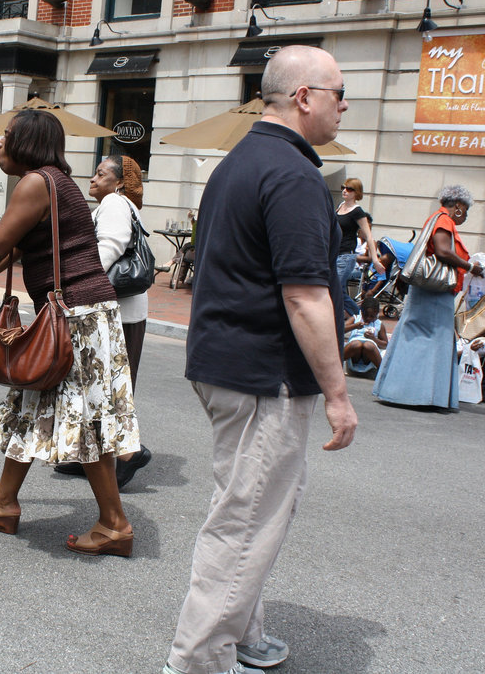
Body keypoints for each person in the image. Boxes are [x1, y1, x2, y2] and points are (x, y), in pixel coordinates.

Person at [163, 46, 357, 674]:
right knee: (245, 521)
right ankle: (196, 663)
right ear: (304, 97)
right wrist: (337, 393)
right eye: (337, 92)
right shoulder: (296, 175)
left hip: (225, 363)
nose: (343, 104)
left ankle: (245, 635)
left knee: (243, 504)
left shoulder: (239, 162)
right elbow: (304, 295)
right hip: (262, 374)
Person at [0, 110, 139, 556]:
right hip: (86, 315)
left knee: (84, 419)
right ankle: (3, 503)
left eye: (7, 136)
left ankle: (114, 524)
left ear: (27, 142)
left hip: (78, 316)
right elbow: (7, 253)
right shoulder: (56, 182)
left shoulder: (37, 183)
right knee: (33, 401)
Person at [54, 154, 151, 488]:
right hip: (122, 310)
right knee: (102, 387)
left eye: (100, 174)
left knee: (107, 387)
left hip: (116, 311)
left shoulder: (114, 202)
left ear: (119, 182)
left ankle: (126, 454)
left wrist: (81, 286)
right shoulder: (115, 204)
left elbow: (109, 246)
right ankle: (94, 455)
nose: (92, 179)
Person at [373, 185, 483, 410]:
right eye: (466, 211)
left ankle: (403, 391)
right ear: (459, 207)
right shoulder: (444, 220)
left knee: (416, 336)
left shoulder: (437, 218)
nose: (466, 216)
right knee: (430, 339)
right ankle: (421, 395)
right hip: (434, 293)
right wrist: (469, 266)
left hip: (428, 292)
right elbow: (443, 251)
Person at [336, 177, 384, 316]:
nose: (345, 191)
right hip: (334, 254)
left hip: (346, 256)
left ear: (356, 193)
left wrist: (375, 260)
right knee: (337, 291)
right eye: (343, 187)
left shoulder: (357, 211)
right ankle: (362, 319)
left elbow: (369, 236)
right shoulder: (340, 206)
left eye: (349, 189)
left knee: (336, 290)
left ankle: (361, 318)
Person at [344, 296, 388, 370]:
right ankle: (334, 364)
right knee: (357, 344)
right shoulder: (356, 318)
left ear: (377, 313)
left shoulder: (379, 324)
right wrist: (354, 326)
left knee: (368, 345)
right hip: (354, 353)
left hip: (368, 356)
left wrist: (373, 338)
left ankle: (382, 370)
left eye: (372, 316)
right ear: (361, 312)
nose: (368, 318)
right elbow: (341, 329)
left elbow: (385, 344)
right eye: (365, 315)